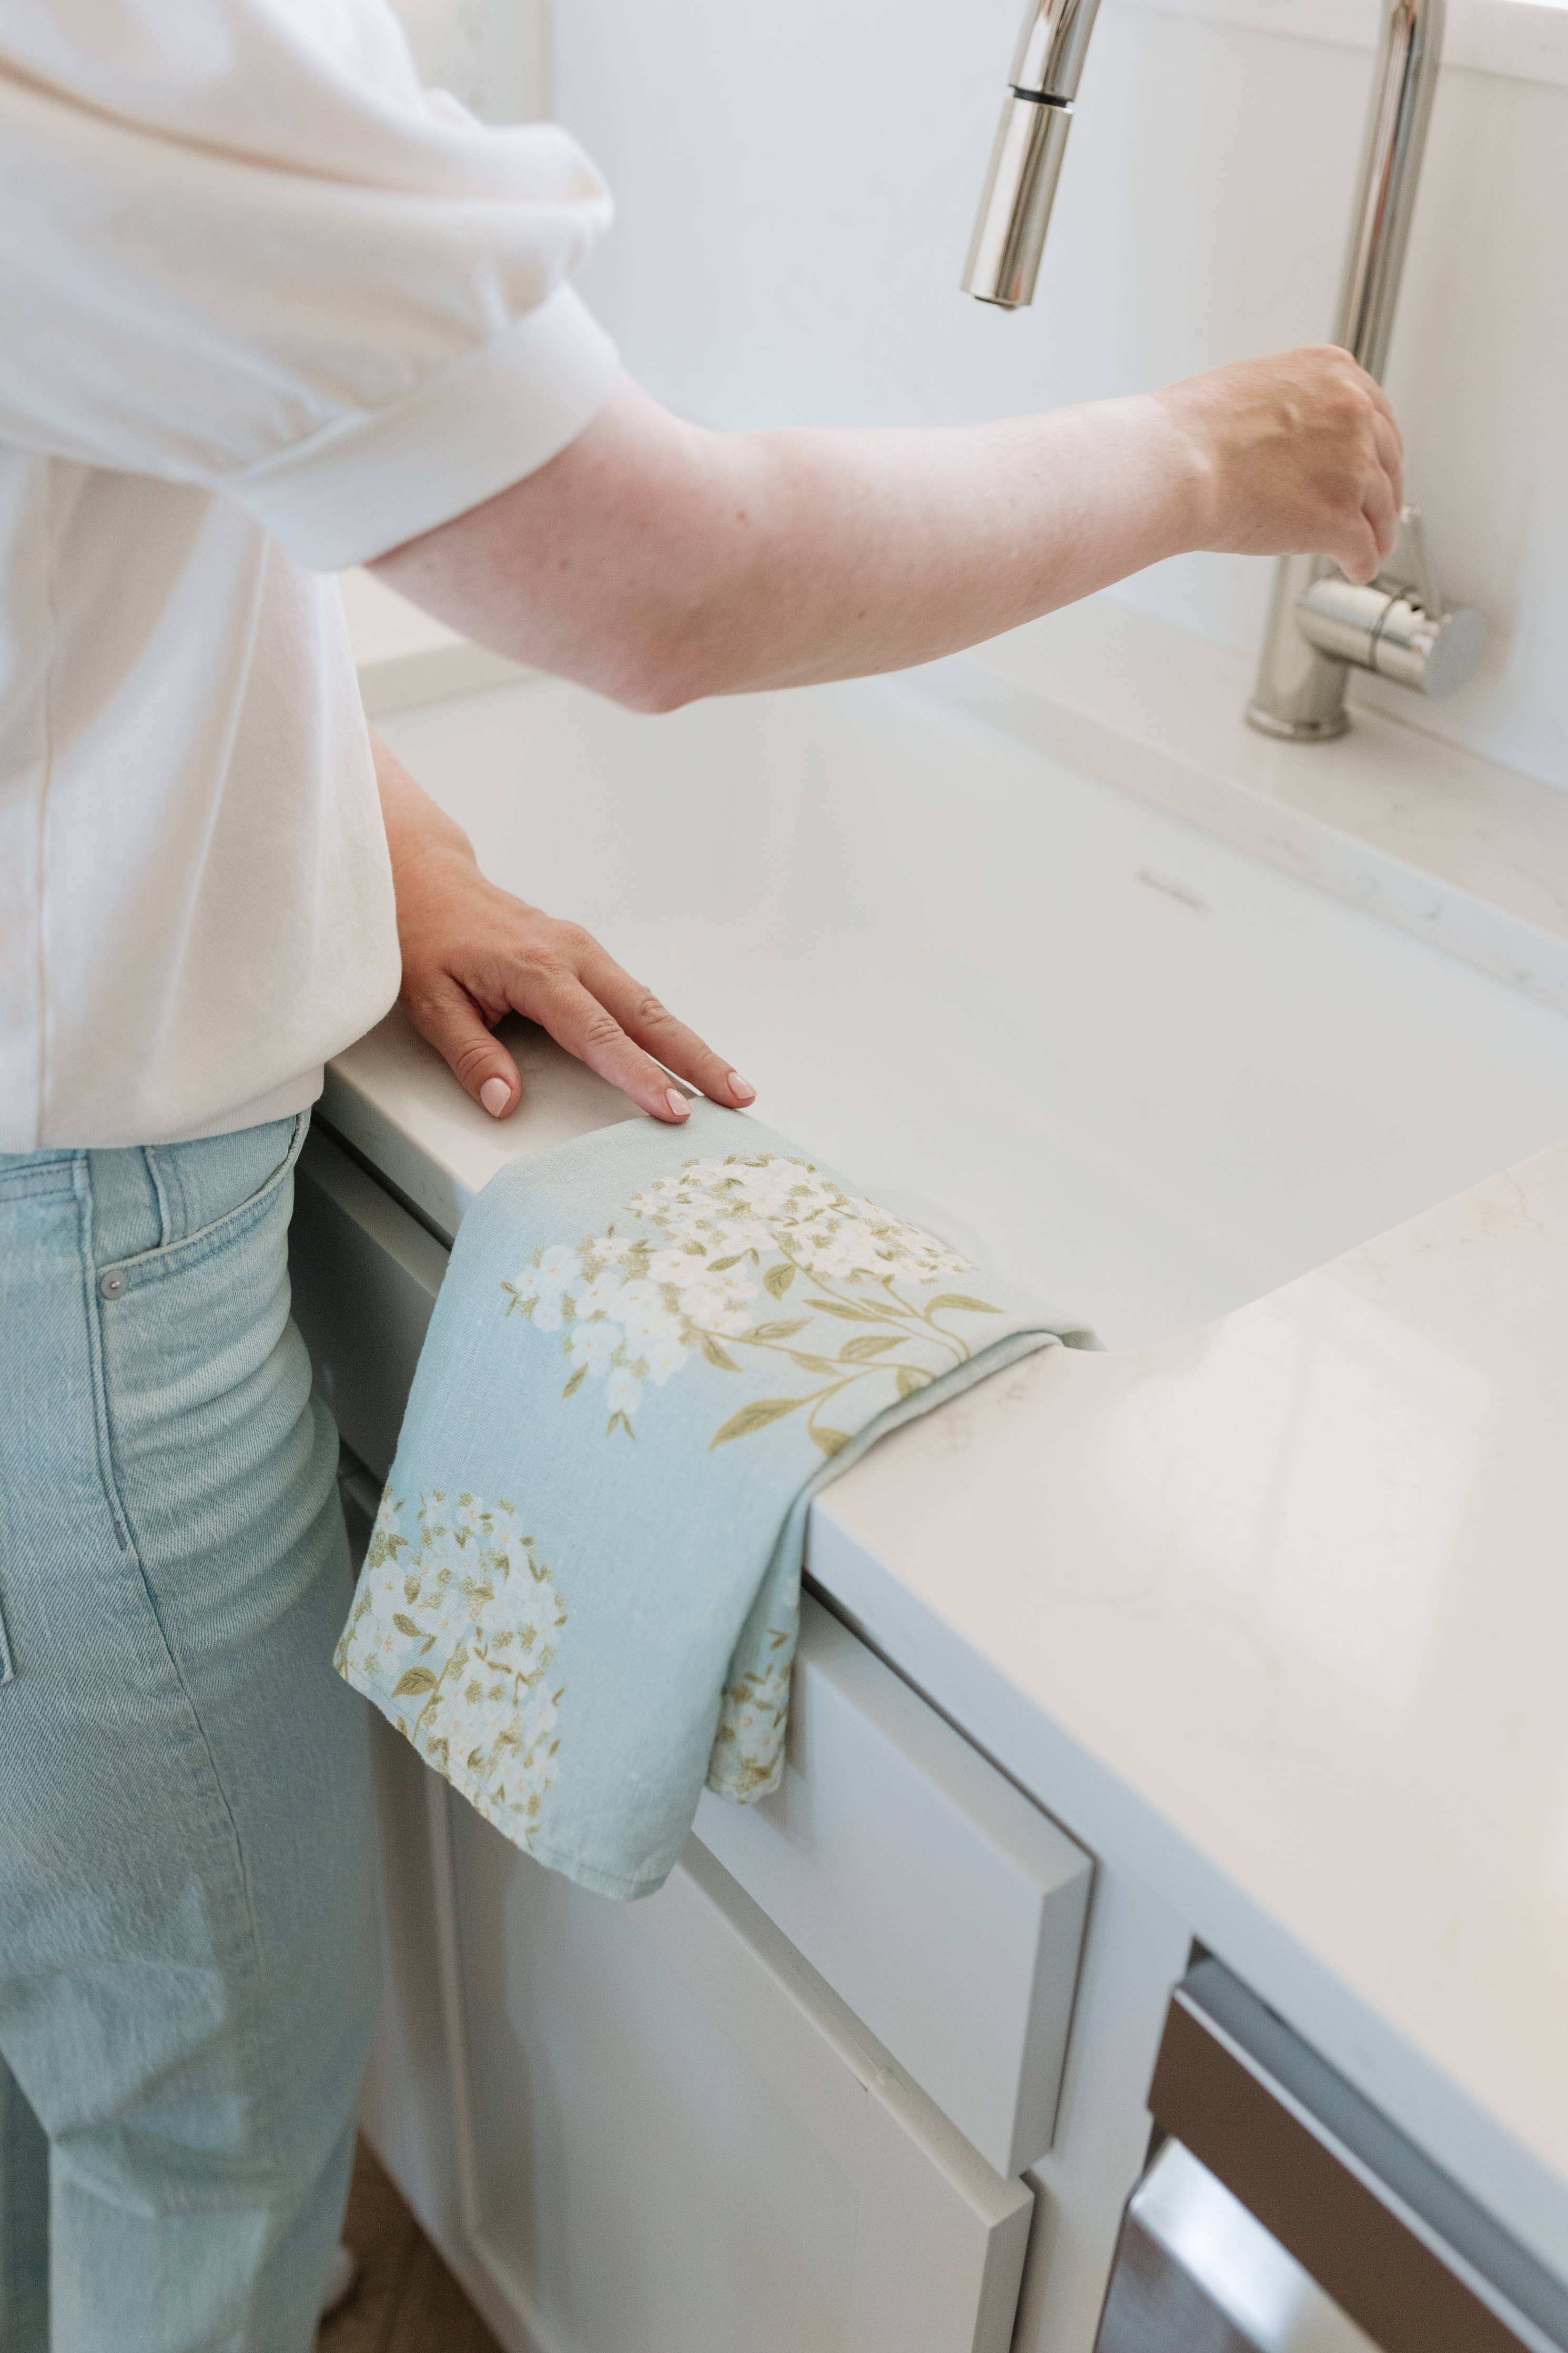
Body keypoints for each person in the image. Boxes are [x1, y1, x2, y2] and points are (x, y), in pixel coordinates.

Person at [0, 4, 1403, 2346]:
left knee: (62, 2026)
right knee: (196, 2122)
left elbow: (119, 468)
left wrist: (387, 824)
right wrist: (1201, 450)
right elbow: (678, 585)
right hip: (75, 1251)